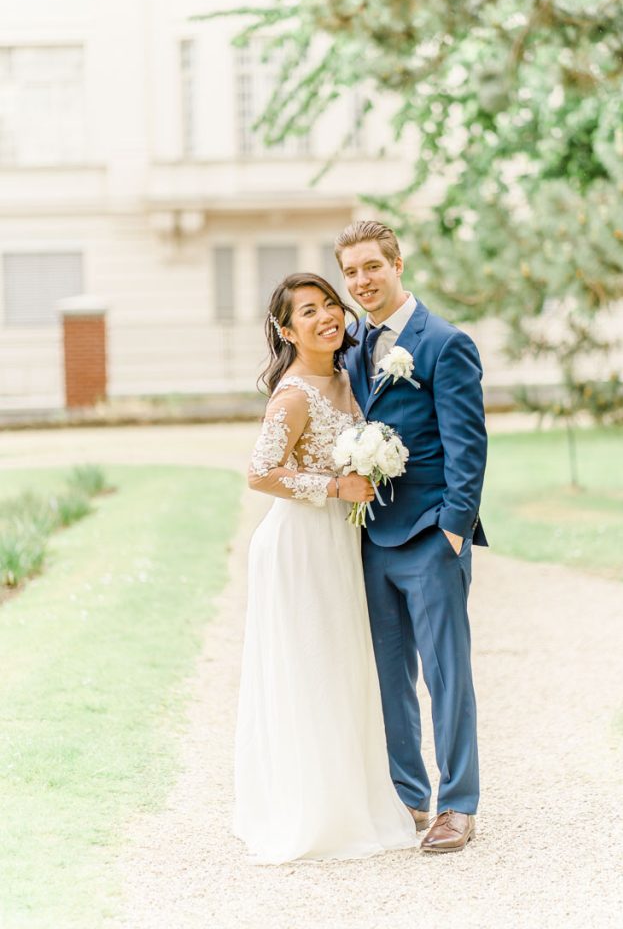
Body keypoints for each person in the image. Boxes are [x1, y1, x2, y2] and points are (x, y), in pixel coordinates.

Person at [232, 272, 417, 864]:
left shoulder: (347, 375)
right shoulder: (293, 395)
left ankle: (355, 796)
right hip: (300, 545)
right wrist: (337, 486)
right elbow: (261, 473)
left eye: (329, 304)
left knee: (344, 664)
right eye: (307, 312)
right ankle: (314, 810)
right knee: (313, 665)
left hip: (338, 540)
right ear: (287, 331)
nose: (326, 317)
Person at [335, 220, 488, 853]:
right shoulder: (351, 346)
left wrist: (452, 531)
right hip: (372, 538)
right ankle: (409, 797)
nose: (361, 281)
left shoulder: (444, 343)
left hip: (429, 534)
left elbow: (468, 446)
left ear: (397, 265)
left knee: (446, 674)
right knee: (389, 675)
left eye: (372, 266)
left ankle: (458, 804)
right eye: (350, 272)